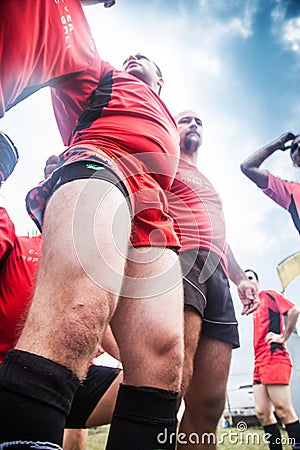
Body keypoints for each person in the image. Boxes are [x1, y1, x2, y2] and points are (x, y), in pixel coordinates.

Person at [0, 35, 183, 450]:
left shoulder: (167, 119)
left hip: (153, 208)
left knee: (163, 358)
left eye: (145, 56)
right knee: (77, 318)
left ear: (162, 80)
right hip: (102, 164)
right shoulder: (102, 72)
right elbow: (44, 42)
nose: (134, 55)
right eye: (129, 53)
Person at [0, 157, 122, 450]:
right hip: (10, 371)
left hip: (71, 377)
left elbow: (99, 319)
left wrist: (139, 361)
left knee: (150, 385)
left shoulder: (91, 259)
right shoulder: (18, 242)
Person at [167, 111, 259, 450]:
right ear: (171, 127)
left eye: (199, 121)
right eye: (185, 119)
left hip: (217, 279)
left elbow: (220, 236)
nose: (193, 124)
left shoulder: (208, 182)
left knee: (208, 404)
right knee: (168, 386)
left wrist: (240, 278)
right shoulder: (164, 161)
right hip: (178, 263)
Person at [245, 269, 300, 450]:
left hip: (274, 357)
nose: (248, 281)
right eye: (244, 279)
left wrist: (283, 337)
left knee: (283, 410)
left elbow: (294, 310)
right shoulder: (253, 307)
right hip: (258, 362)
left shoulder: (268, 295)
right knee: (262, 413)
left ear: (258, 282)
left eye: (251, 278)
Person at [240, 132, 300, 234]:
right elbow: (247, 167)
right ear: (295, 164)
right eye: (294, 147)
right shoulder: (290, 190)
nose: (299, 146)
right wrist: (276, 144)